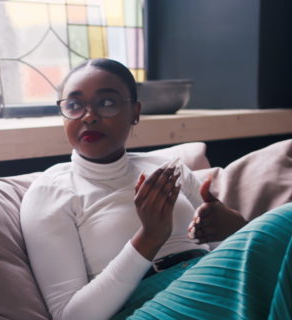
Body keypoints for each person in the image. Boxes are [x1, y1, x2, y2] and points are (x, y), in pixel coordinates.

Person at [20, 58, 292, 320]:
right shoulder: (51, 191)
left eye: (106, 103)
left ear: (135, 113)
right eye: (75, 105)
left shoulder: (168, 169)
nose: (89, 117)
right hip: (146, 306)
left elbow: (227, 255)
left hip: (211, 282)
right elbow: (71, 315)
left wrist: (236, 228)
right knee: (285, 219)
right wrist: (149, 238)